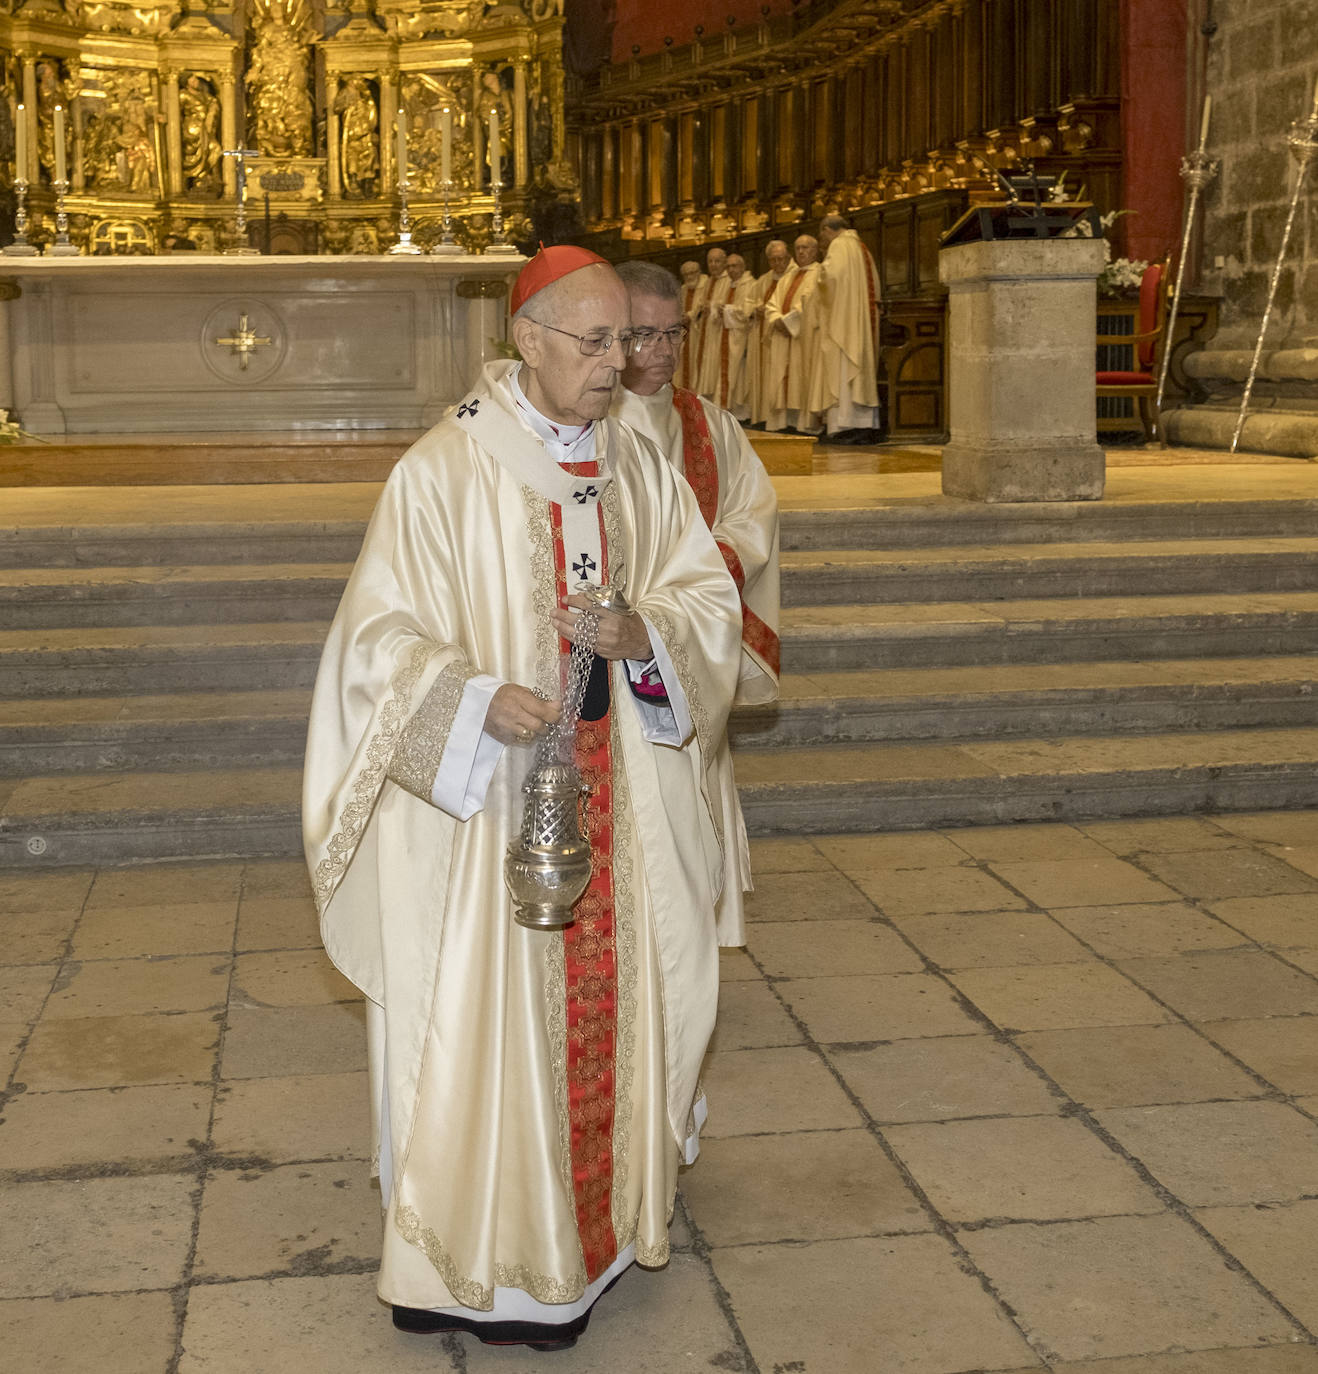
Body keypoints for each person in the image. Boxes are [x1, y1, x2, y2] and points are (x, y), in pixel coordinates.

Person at [303, 245, 741, 1352]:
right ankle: (475, 1268)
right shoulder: (444, 470)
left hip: (621, 811)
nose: (620, 364)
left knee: (629, 1003)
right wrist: (465, 694)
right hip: (486, 815)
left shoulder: (636, 467)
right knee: (481, 1027)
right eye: (594, 343)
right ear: (528, 341)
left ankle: (587, 1249)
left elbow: (703, 597)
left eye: (630, 341)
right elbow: (373, 641)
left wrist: (650, 636)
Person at [611, 260, 780, 949]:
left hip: (684, 650)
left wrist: (693, 583)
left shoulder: (711, 427)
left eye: (673, 334)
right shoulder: (581, 417)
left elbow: (753, 516)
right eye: (643, 335)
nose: (663, 351)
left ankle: (689, 933)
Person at [806, 213, 882, 442]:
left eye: (822, 233)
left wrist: (817, 275)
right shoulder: (861, 247)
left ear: (829, 229)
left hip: (842, 324)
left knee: (841, 370)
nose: (822, 238)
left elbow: (830, 277)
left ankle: (844, 426)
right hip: (855, 321)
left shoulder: (839, 245)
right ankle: (862, 425)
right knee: (856, 374)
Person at [763, 233, 820, 433]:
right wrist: (776, 319)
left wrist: (788, 323)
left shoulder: (819, 273)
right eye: (798, 248)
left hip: (803, 339)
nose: (802, 252)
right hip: (782, 337)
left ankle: (802, 423)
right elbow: (772, 303)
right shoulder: (788, 276)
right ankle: (783, 421)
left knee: (801, 378)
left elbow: (811, 303)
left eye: (806, 247)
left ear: (816, 250)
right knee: (782, 379)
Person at [747, 240, 789, 428]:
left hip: (782, 336)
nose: (778, 264)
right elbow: (749, 303)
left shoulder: (792, 277)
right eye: (773, 260)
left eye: (781, 259)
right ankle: (765, 417)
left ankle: (781, 421)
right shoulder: (763, 280)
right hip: (762, 337)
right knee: (763, 377)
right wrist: (756, 309)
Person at [715, 253, 756, 419]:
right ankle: (726, 409)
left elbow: (747, 312)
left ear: (742, 267)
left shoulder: (751, 285)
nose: (731, 270)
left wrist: (726, 310)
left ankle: (741, 413)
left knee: (740, 376)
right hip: (725, 337)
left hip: (741, 339)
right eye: (728, 267)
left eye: (735, 266)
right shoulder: (726, 285)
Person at [694, 245, 730, 402]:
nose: (714, 265)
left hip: (720, 331)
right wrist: (701, 309)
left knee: (716, 368)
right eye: (710, 261)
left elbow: (727, 305)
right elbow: (699, 305)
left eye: (717, 261)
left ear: (724, 262)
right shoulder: (708, 282)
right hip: (706, 331)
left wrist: (713, 306)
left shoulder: (730, 280)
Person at [675, 259, 705, 390]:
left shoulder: (706, 286)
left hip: (699, 333)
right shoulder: (683, 289)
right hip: (685, 334)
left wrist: (690, 316)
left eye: (692, 273)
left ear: (699, 272)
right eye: (686, 274)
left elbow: (702, 305)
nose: (689, 277)